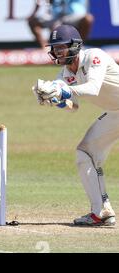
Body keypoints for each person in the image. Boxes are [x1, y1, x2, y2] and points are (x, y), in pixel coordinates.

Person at [32, 25, 119, 226]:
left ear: (75, 46)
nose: (57, 52)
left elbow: (93, 88)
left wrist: (64, 92)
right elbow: (73, 107)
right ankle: (101, 212)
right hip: (116, 113)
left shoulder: (94, 56)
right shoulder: (63, 76)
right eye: (54, 48)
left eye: (61, 47)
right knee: (85, 153)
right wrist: (55, 100)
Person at [28, 0, 94, 50]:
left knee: (88, 18)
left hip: (73, 15)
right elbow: (42, 2)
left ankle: (77, 47)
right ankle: (46, 49)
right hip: (56, 17)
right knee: (53, 26)